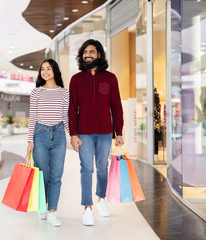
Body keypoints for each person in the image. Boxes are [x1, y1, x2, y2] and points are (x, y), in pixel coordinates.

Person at [69, 39, 124, 226]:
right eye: (85, 52)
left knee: (102, 168)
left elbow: (116, 106)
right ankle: (87, 208)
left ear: (99, 54)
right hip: (83, 132)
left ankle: (101, 198)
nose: (88, 55)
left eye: (91, 51)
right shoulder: (76, 80)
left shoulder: (110, 78)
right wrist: (73, 134)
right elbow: (71, 108)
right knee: (86, 169)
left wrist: (120, 132)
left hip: (105, 132)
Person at [27, 59, 69, 227]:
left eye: (48, 68)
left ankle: (53, 212)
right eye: (42, 69)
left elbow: (65, 116)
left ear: (55, 71)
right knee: (42, 174)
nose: (45, 72)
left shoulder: (64, 92)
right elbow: (33, 117)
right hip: (40, 134)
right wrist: (30, 139)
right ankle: (41, 206)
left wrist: (73, 135)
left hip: (59, 135)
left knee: (56, 175)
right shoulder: (36, 92)